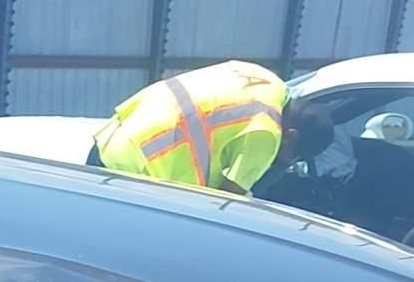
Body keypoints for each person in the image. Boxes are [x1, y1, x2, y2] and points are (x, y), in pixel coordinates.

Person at [88, 60, 333, 196]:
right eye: (294, 156)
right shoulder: (266, 132)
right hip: (138, 172)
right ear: (291, 136)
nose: (288, 161)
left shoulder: (265, 78)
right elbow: (223, 203)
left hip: (116, 135)